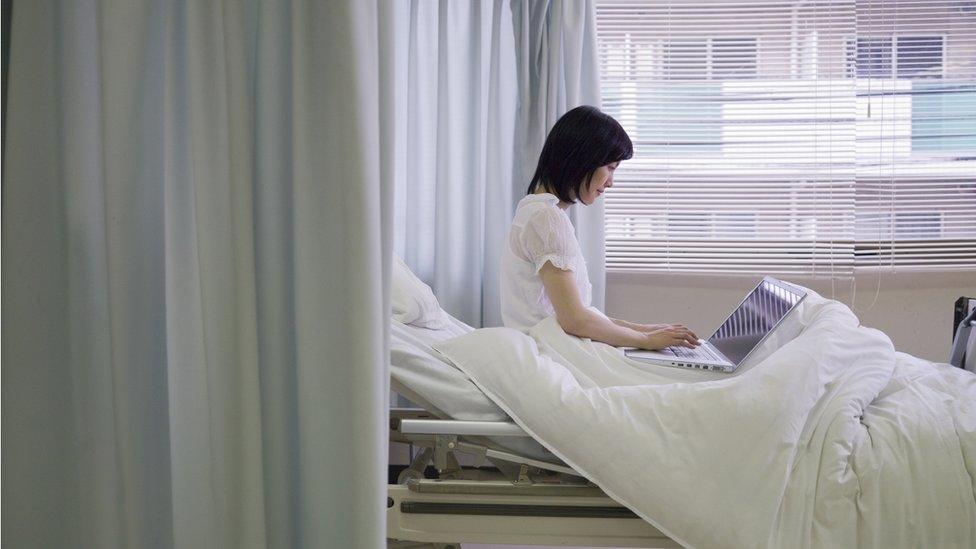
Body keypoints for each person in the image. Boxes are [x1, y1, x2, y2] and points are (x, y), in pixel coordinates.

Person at [500, 105, 699, 351]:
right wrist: (646, 340)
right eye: (611, 167)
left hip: (552, 346)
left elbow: (578, 314)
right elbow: (574, 319)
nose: (611, 182)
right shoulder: (546, 218)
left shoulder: (536, 210)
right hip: (553, 352)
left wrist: (647, 330)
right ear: (583, 158)